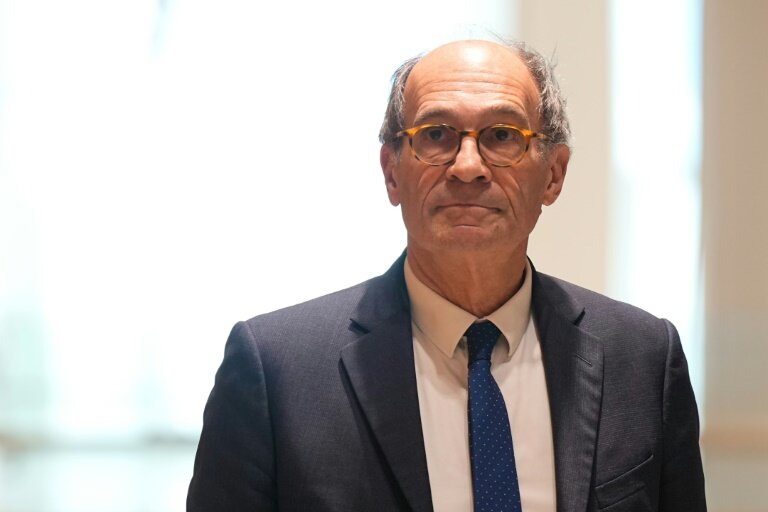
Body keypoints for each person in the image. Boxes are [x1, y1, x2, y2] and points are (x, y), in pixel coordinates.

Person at [187, 39, 706, 512]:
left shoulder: (642, 359)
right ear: (392, 172)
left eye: (502, 136)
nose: (467, 166)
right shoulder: (276, 370)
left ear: (554, 174)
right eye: (436, 135)